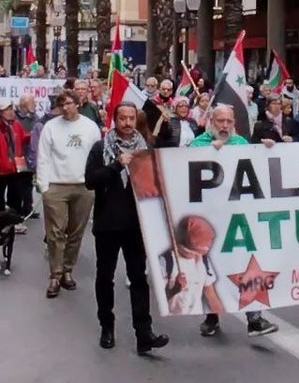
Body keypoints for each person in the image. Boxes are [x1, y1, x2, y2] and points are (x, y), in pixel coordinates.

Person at [84, 103, 171, 355]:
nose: (128, 123)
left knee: (138, 279)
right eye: (123, 118)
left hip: (136, 225)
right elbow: (90, 181)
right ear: (115, 120)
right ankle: (107, 326)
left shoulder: (146, 149)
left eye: (132, 118)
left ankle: (144, 333)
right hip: (108, 224)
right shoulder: (101, 148)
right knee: (105, 277)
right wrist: (117, 166)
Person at [186, 105, 279, 339]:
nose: (225, 126)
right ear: (211, 121)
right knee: (212, 269)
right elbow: (186, 168)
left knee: (247, 262)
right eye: (220, 121)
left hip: (238, 216)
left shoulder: (241, 144)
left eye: (229, 121)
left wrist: (266, 150)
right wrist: (209, 153)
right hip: (209, 219)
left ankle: (254, 318)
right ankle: (212, 316)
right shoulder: (198, 144)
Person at [37, 91, 100, 298]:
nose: (66, 108)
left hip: (83, 186)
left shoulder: (90, 127)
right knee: (56, 232)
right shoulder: (51, 127)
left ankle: (67, 270)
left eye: (70, 103)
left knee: (75, 232)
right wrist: (44, 186)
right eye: (62, 104)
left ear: (78, 104)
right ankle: (55, 274)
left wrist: (95, 182)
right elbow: (44, 156)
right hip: (57, 185)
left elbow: (96, 156)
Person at [0, 104, 30, 229]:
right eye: (7, 110)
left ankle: (14, 219)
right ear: (1, 113)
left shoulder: (16, 125)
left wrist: (32, 136)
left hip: (16, 167)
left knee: (16, 194)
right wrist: (0, 162)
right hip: (1, 170)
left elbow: (22, 138)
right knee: (0, 194)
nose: (10, 112)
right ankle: (0, 219)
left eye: (11, 110)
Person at [16, 94, 40, 220]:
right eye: (33, 102)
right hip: (20, 154)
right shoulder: (16, 118)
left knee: (28, 182)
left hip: (31, 153)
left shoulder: (35, 117)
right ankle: (18, 207)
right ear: (25, 105)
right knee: (20, 181)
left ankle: (28, 207)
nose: (35, 104)